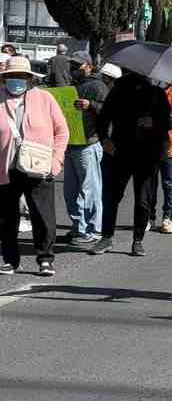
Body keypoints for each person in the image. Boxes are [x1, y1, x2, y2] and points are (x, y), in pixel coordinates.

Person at [90, 71, 172, 257]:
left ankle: (138, 240)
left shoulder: (157, 94)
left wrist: (154, 122)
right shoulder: (118, 91)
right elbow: (103, 118)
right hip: (119, 152)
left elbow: (168, 124)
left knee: (143, 200)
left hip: (147, 155)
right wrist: (105, 141)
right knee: (111, 197)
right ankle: (106, 237)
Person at [0, 56, 69, 276]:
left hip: (39, 166)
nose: (16, 80)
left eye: (21, 76)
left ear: (30, 79)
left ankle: (45, 259)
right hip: (6, 168)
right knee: (6, 217)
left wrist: (56, 161)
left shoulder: (45, 99)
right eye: (12, 76)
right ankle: (10, 259)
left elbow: (62, 131)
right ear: (4, 78)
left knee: (43, 215)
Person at [62, 52, 109, 247]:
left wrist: (91, 105)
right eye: (72, 64)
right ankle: (79, 227)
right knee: (71, 191)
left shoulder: (98, 86)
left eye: (78, 65)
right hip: (72, 143)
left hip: (88, 144)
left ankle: (93, 229)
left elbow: (109, 112)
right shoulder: (73, 86)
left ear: (89, 66)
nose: (74, 68)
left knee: (90, 189)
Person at [149, 83, 172, 234]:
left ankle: (168, 218)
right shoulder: (152, 91)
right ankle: (149, 217)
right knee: (150, 181)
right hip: (153, 142)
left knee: (169, 183)